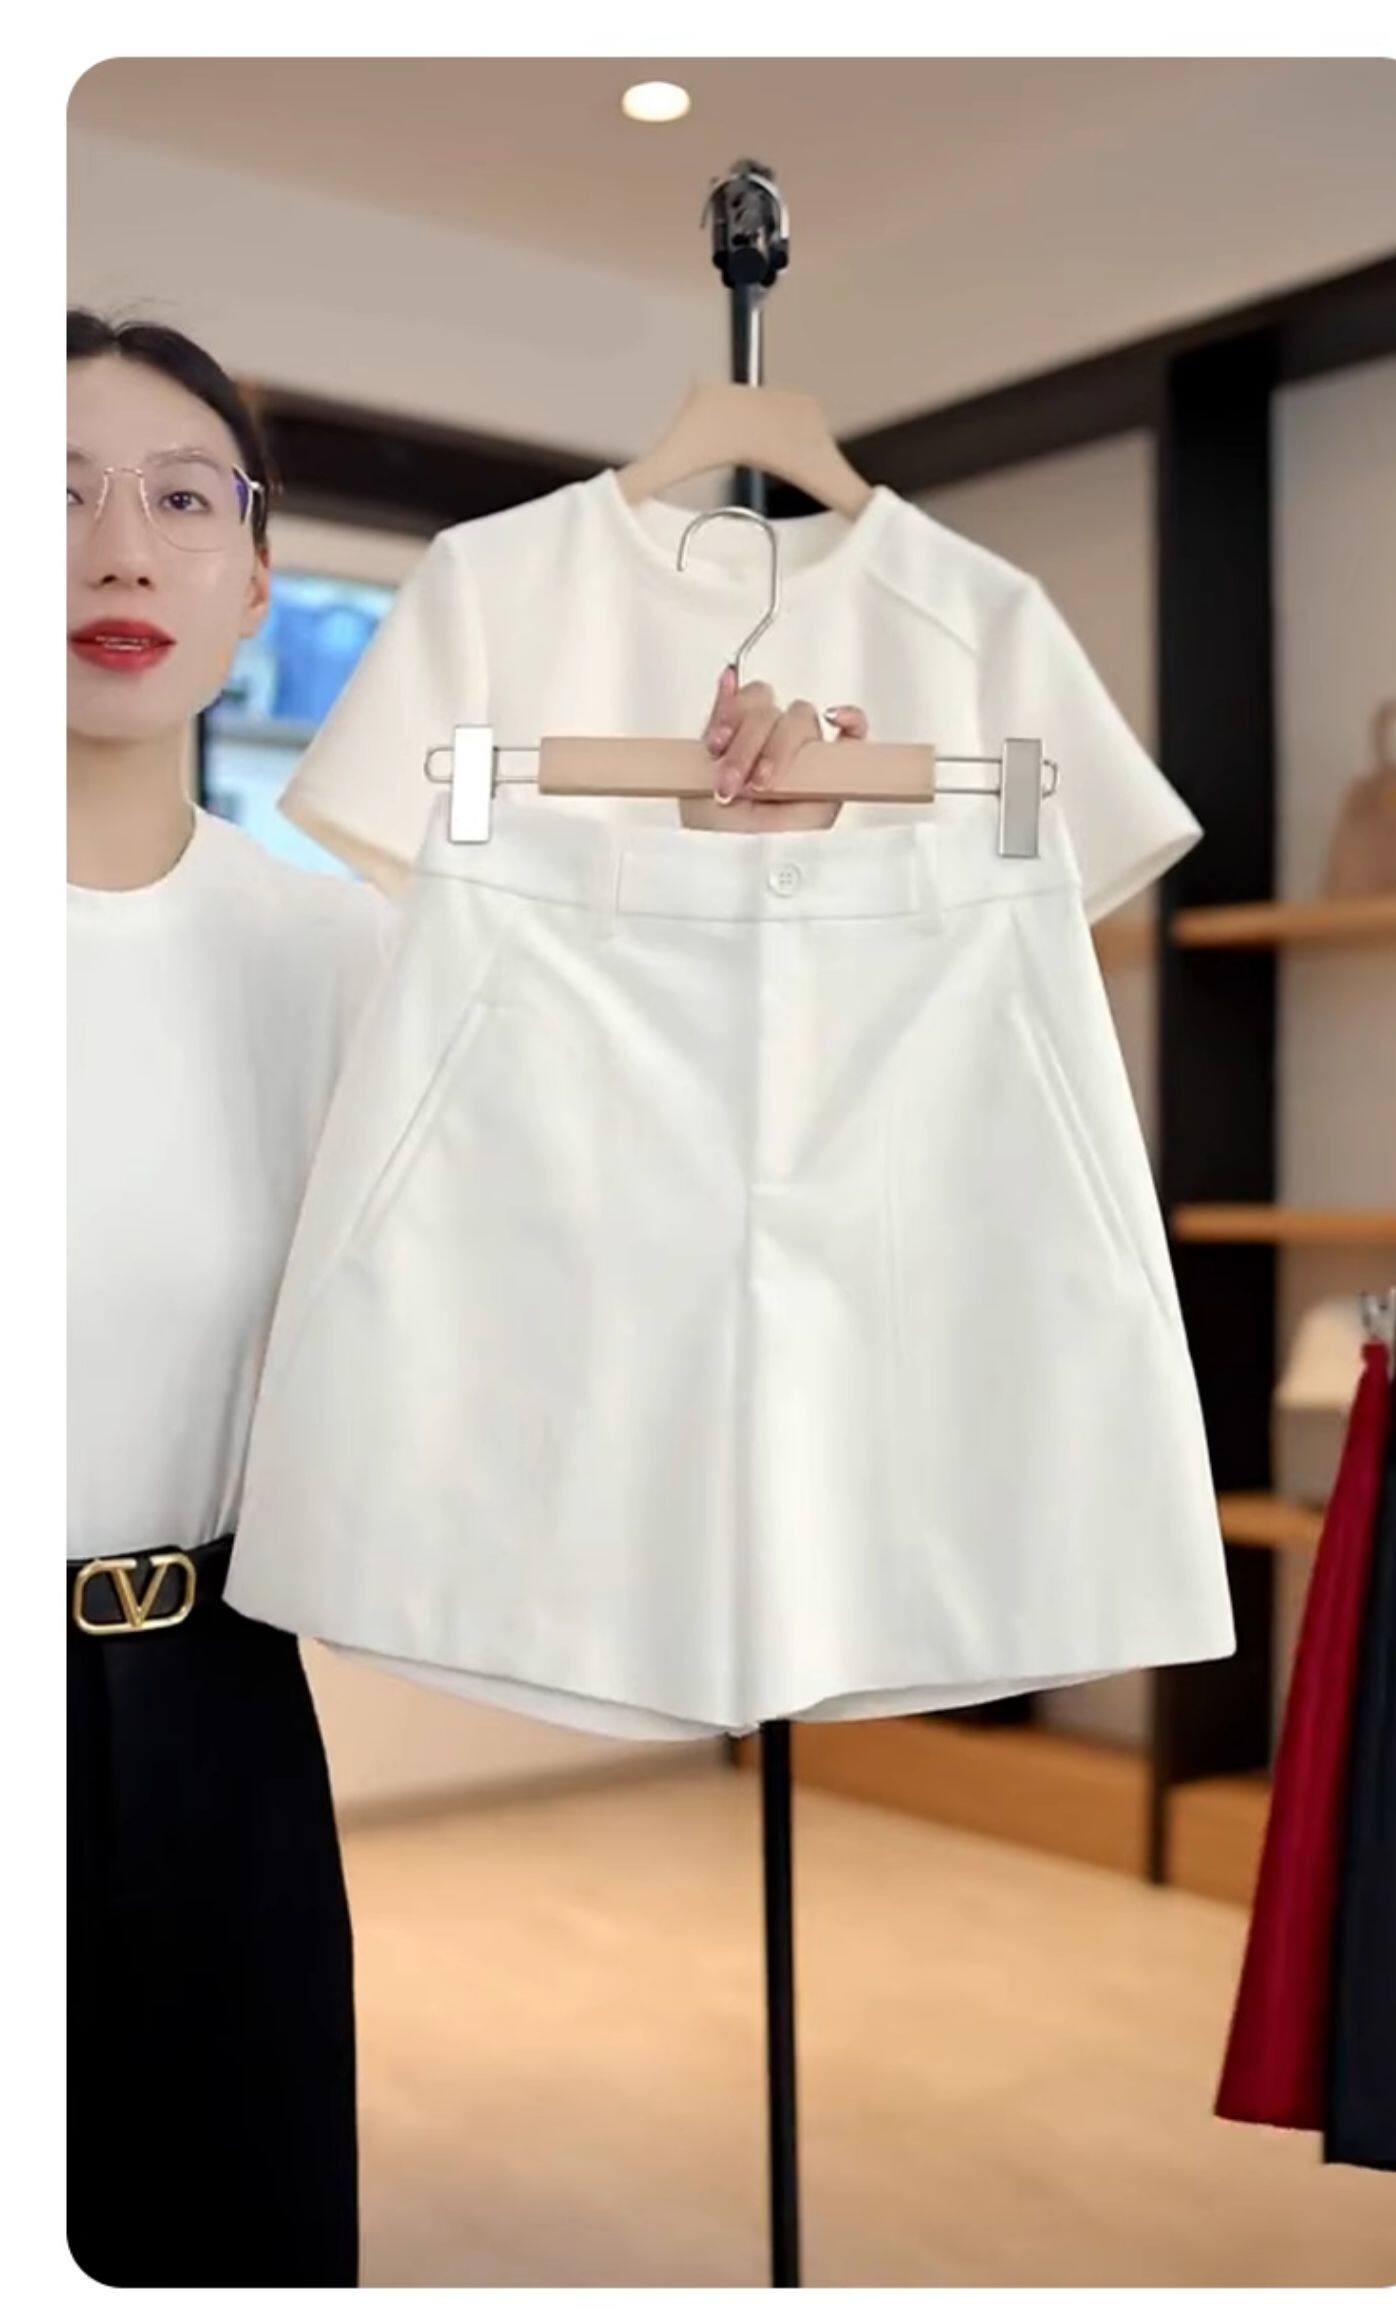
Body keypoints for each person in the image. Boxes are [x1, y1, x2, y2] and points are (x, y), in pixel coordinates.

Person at [66, 303, 863, 2286]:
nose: (119, 550)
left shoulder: (335, 953)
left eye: (183, 498)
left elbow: (615, 1204)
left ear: (261, 576)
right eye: (51, 494)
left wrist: (758, 874)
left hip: (211, 1725)